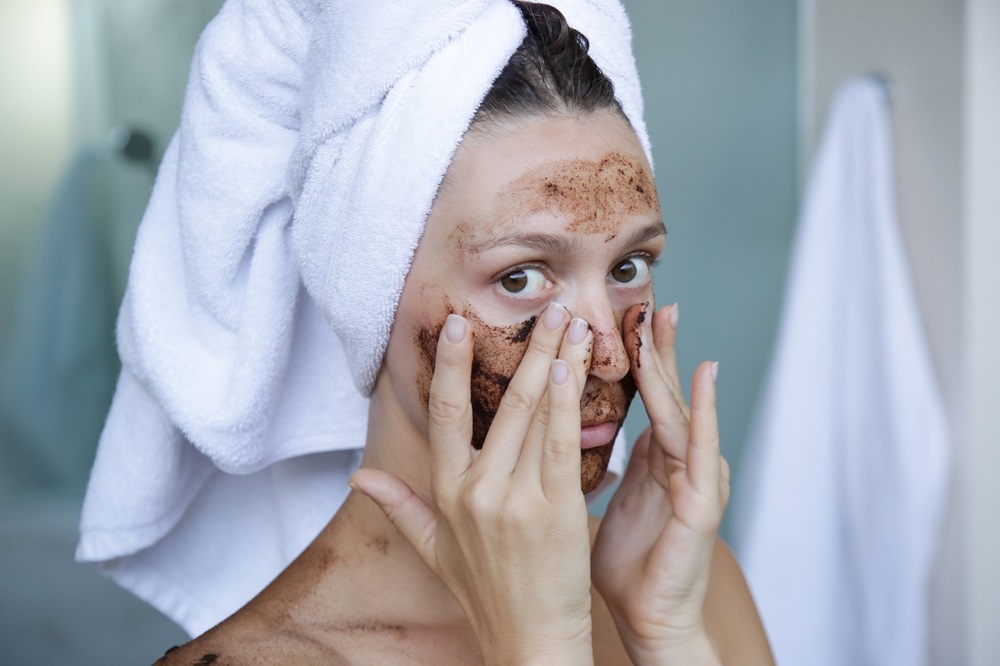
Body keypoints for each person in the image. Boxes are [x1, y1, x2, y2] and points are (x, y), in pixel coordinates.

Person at [151, 2, 773, 664]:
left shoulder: (687, 593)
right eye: (521, 278)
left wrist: (667, 640)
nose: (613, 358)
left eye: (628, 267)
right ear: (375, 296)